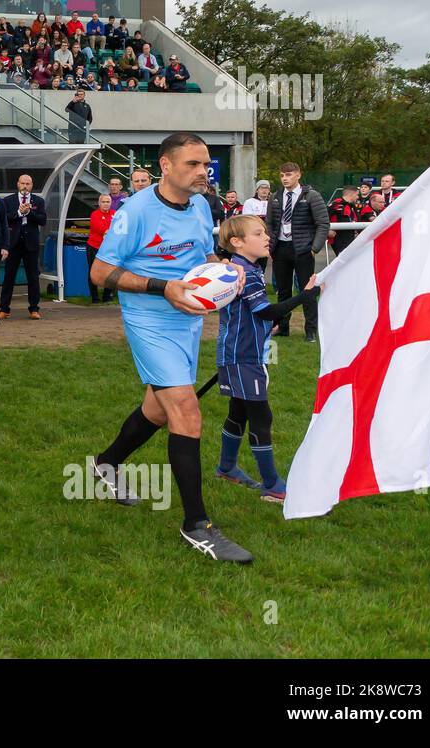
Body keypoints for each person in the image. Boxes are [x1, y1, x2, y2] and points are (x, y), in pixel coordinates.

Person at [89, 132, 254, 564]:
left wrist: (226, 271)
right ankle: (197, 525)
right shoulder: (136, 212)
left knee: (158, 409)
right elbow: (100, 272)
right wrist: (163, 287)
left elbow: (204, 256)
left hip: (188, 319)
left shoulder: (201, 205)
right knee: (185, 409)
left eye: (205, 165)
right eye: (193, 164)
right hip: (149, 319)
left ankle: (105, 464)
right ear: (165, 165)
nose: (203, 172)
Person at [214, 215, 319, 502]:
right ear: (237, 242)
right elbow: (264, 311)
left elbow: (253, 314)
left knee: (239, 411)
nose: (266, 237)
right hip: (243, 357)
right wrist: (304, 296)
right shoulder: (242, 272)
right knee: (261, 416)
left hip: (242, 354)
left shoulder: (248, 268)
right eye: (258, 233)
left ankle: (226, 468)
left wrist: (265, 324)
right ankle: (273, 485)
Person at [265, 162, 329, 343]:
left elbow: (323, 223)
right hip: (281, 249)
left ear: (298, 175)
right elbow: (269, 223)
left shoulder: (311, 196)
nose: (285, 178)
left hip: (303, 250)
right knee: (283, 291)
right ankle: (282, 327)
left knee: (307, 290)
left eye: (289, 174)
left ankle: (310, 331)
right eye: (282, 175)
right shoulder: (275, 197)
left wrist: (314, 248)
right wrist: (271, 245)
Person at [0, 174, 47, 319]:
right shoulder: (8, 201)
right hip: (13, 243)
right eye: (23, 183)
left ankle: (34, 309)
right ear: (18, 184)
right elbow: (4, 219)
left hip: (31, 243)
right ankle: (4, 308)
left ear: (32, 185)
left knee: (33, 277)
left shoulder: (38, 201)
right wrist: (19, 212)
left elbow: (42, 220)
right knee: (9, 276)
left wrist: (29, 212)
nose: (25, 186)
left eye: (28, 183)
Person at [86, 194, 114, 304]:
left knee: (111, 271)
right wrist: (110, 231)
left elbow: (119, 227)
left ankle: (107, 296)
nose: (106, 204)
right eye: (103, 202)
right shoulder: (95, 214)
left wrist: (110, 231)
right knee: (93, 272)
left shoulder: (114, 214)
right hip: (94, 247)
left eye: (108, 202)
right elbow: (99, 228)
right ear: (99, 203)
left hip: (109, 248)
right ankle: (95, 298)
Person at [328, 185, 365, 255]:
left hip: (351, 238)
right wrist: (328, 230)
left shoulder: (353, 206)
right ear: (352, 194)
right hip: (339, 239)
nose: (358, 197)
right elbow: (323, 219)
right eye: (357, 195)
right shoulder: (336, 204)